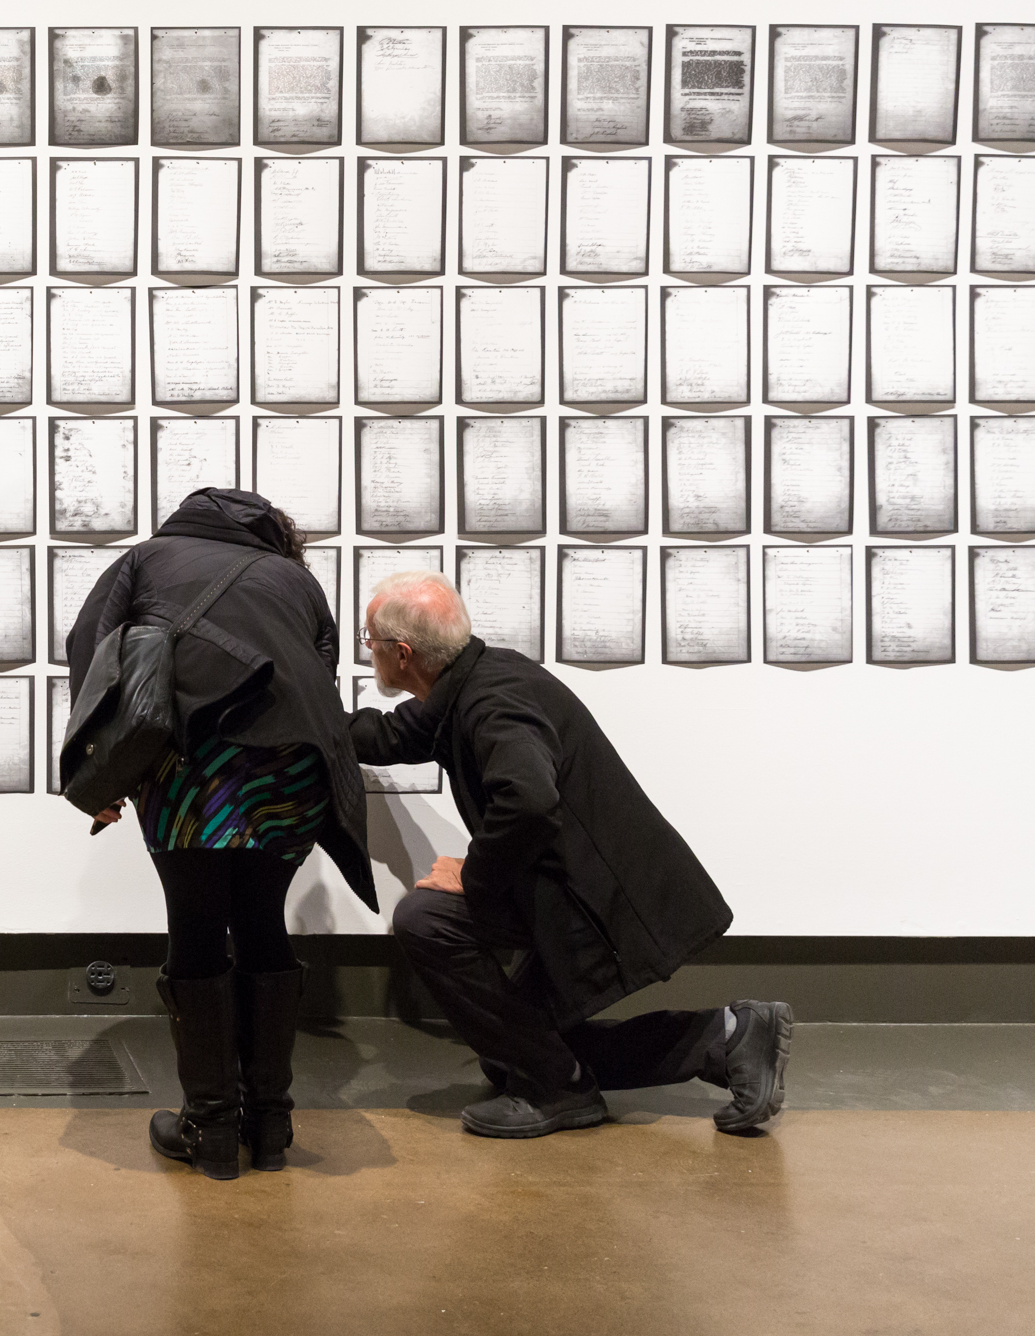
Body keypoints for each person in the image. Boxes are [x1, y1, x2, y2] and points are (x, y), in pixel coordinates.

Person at [353, 571, 792, 1139]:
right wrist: (304, 724)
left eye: (370, 642)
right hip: (565, 888)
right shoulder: (469, 678)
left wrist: (474, 876)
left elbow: (529, 801)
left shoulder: (493, 702)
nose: (369, 653)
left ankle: (560, 1089)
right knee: (514, 1055)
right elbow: (390, 737)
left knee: (425, 919)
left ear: (403, 653)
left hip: (591, 900)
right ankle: (725, 1037)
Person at [68, 487, 380, 1180]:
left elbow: (94, 652)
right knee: (263, 917)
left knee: (198, 924)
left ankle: (210, 1129)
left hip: (192, 768)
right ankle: (270, 1125)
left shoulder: (145, 560)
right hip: (294, 765)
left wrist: (101, 774)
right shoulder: (296, 579)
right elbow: (320, 667)